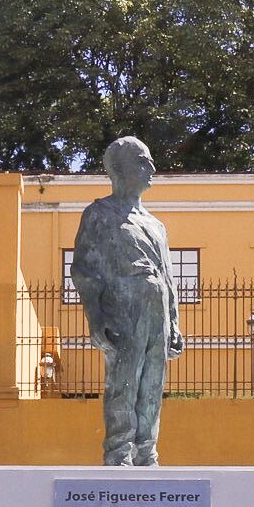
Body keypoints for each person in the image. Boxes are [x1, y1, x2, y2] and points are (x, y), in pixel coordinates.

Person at [71, 136, 184, 466]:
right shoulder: (99, 214)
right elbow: (84, 270)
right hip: (122, 311)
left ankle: (147, 453)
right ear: (118, 169)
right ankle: (119, 453)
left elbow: (168, 276)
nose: (152, 168)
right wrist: (95, 316)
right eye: (142, 161)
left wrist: (173, 322)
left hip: (157, 313)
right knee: (124, 382)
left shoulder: (157, 225)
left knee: (152, 385)